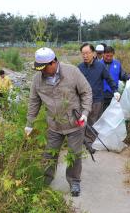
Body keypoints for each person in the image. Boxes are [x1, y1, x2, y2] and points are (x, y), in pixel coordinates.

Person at [24, 47, 92, 197]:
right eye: (39, 68)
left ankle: (74, 181)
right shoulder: (37, 79)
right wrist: (29, 123)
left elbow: (86, 92)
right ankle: (45, 180)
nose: (41, 71)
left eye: (44, 68)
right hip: (54, 125)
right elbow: (34, 102)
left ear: (53, 62)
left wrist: (85, 112)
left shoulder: (72, 72)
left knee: (74, 154)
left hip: (75, 123)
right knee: (49, 155)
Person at [78, 43, 119, 150]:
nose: (85, 56)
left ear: (93, 53)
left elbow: (109, 79)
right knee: (82, 121)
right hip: (82, 100)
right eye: (83, 54)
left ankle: (90, 142)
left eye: (87, 53)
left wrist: (115, 90)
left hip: (97, 99)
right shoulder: (79, 68)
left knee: (93, 121)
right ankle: (82, 140)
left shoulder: (100, 66)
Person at [102, 46, 130, 110]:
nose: (109, 58)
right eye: (107, 56)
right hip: (101, 95)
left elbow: (123, 75)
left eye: (111, 56)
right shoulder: (98, 64)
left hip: (114, 94)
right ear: (103, 54)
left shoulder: (117, 64)